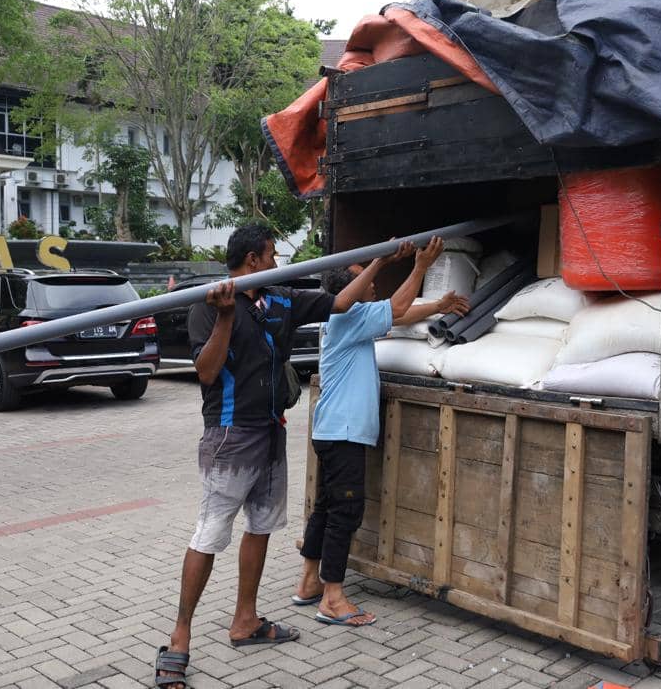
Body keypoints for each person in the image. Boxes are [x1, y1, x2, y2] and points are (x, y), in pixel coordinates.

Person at [155, 224, 410, 688]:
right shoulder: (207, 305)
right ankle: (180, 637)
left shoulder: (281, 299)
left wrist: (379, 262)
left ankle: (245, 621)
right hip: (230, 436)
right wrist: (226, 317)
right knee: (209, 535)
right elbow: (207, 372)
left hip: (272, 430)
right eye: (272, 255)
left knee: (261, 527)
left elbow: (340, 303)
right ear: (252, 260)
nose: (276, 263)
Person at [291, 237, 470, 627]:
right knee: (345, 511)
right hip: (344, 432)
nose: (371, 284)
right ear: (347, 291)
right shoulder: (346, 317)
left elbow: (397, 315)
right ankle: (333, 599)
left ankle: (308, 582)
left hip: (332, 430)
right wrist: (419, 266)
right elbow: (397, 308)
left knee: (327, 506)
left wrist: (437, 306)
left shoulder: (347, 318)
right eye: (363, 279)